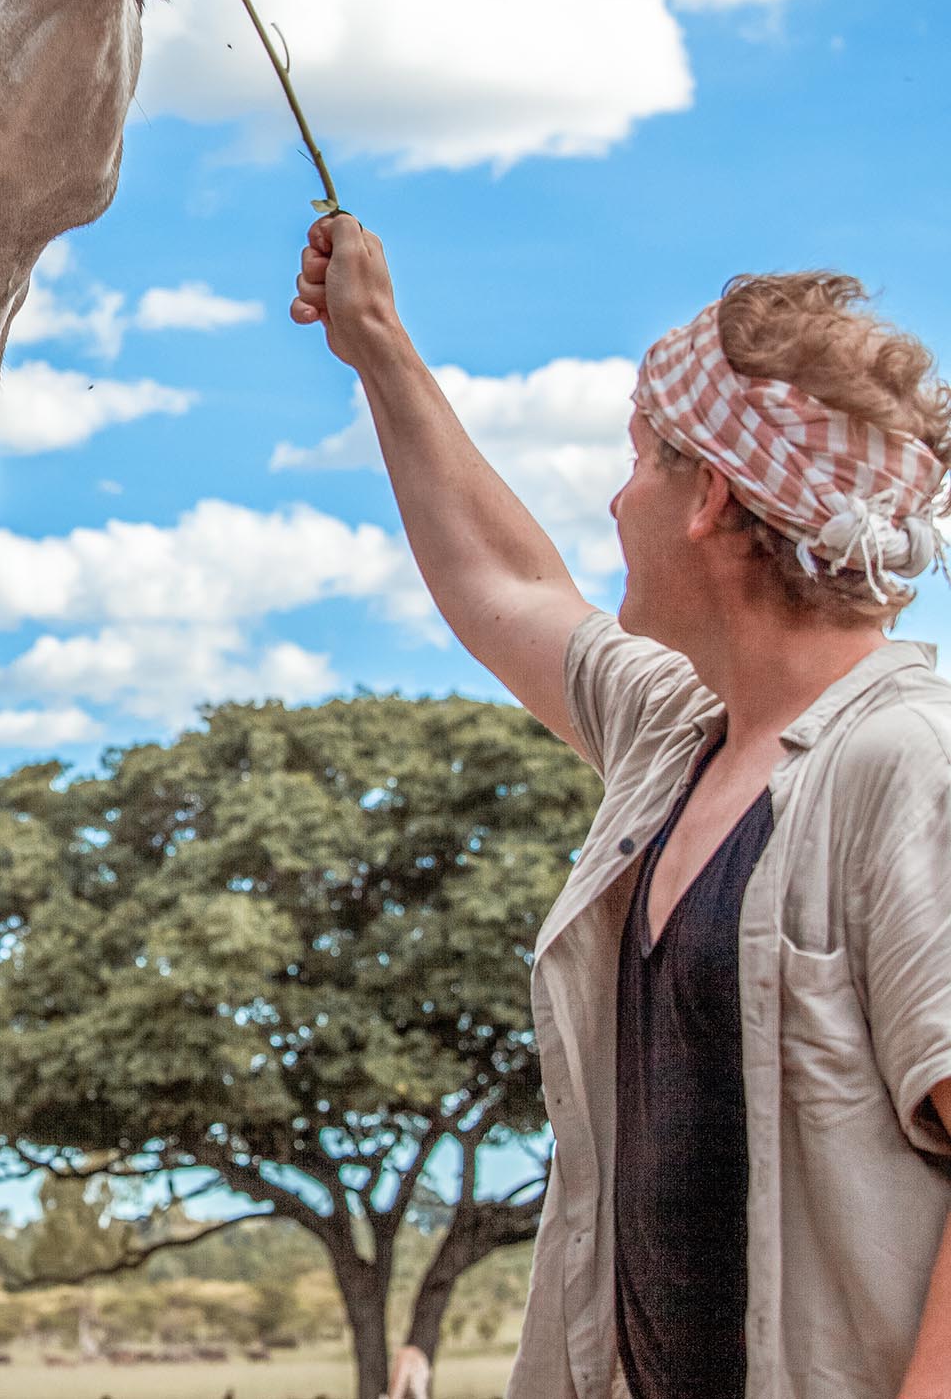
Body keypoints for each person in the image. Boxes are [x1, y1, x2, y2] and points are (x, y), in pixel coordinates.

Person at [293, 213, 951, 1399]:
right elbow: (503, 586)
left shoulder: (908, 762)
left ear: (709, 496)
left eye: (642, 459)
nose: (614, 502)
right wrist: (378, 347)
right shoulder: (676, 732)